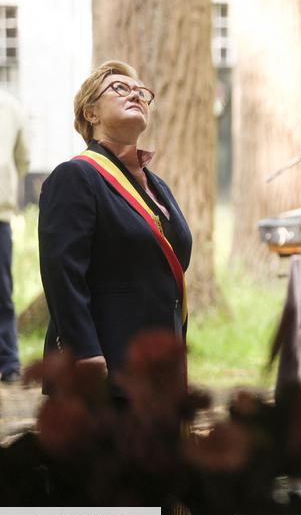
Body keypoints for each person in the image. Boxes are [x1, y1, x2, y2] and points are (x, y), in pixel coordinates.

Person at [39, 61, 191, 395]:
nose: (135, 94)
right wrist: (84, 350)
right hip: (104, 368)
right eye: (120, 88)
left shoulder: (157, 185)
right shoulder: (75, 176)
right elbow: (61, 272)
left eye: (141, 92)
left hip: (158, 370)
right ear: (90, 113)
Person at [0, 88, 30, 384]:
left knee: (2, 292)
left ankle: (8, 362)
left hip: (0, 215)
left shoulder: (10, 106)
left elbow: (23, 158)